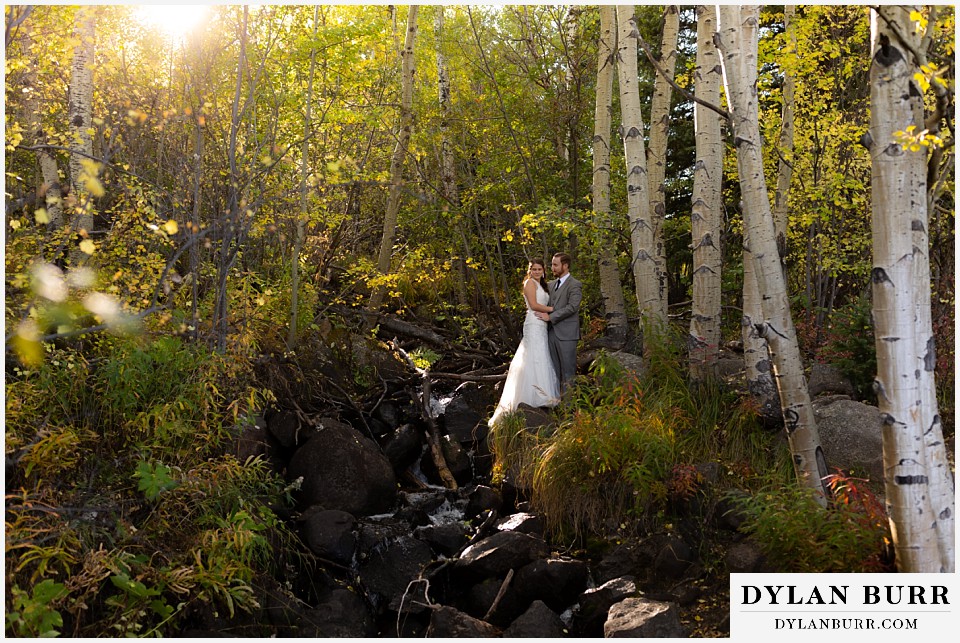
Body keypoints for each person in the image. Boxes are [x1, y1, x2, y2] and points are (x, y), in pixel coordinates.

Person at [489, 259, 560, 426]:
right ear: (530, 271)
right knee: (533, 356)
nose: (536, 272)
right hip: (534, 321)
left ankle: (543, 394)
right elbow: (534, 305)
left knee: (541, 355)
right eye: (534, 269)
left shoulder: (542, 285)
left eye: (539, 269)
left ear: (543, 271)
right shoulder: (530, 283)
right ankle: (531, 397)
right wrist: (553, 309)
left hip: (542, 323)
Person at [535, 252, 582, 393]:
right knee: (553, 372)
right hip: (550, 334)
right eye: (551, 264)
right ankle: (556, 405)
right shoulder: (550, 285)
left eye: (555, 265)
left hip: (567, 335)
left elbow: (573, 307)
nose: (552, 268)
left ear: (565, 266)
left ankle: (569, 410)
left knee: (568, 372)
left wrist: (551, 317)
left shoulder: (575, 285)